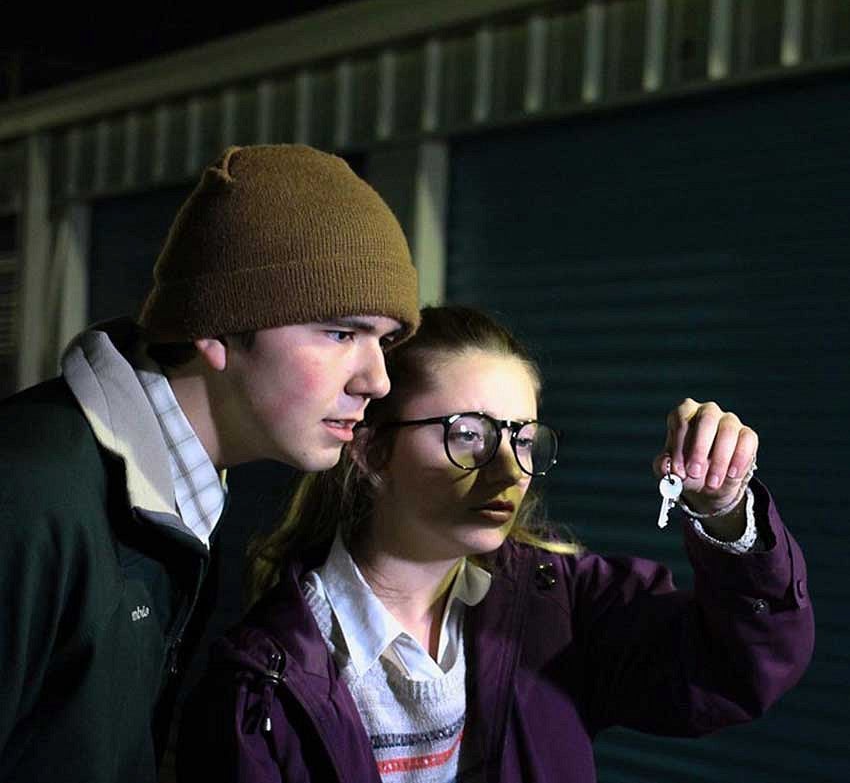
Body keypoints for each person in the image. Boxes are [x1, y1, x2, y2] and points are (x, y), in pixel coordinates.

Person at [178, 305, 814, 783]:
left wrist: (725, 507)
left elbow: (739, 669)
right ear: (371, 449)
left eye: (524, 439)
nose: (510, 471)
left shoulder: (559, 611)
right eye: (468, 434)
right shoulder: (262, 681)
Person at [0, 144, 420, 783]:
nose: (378, 380)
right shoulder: (27, 494)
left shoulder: (180, 495)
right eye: (341, 333)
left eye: (384, 341)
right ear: (217, 328)